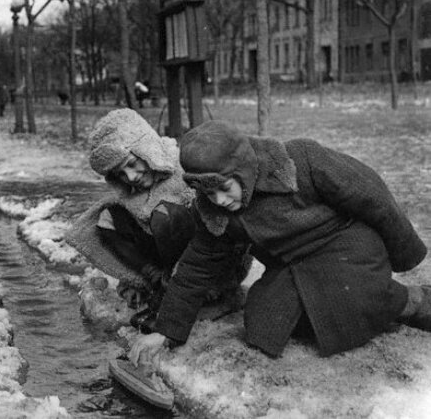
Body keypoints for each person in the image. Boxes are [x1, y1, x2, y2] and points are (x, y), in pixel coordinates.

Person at [129, 120, 430, 364]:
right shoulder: (215, 212)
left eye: (224, 187)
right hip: (294, 266)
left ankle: (411, 302)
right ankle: (374, 303)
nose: (220, 199)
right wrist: (165, 331)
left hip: (347, 246)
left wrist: (404, 255)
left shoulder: (301, 160)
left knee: (345, 301)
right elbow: (197, 267)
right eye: (208, 193)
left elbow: (370, 195)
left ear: (241, 169)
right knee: (263, 325)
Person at [65, 109, 250, 332]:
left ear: (147, 150)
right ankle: (154, 282)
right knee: (108, 219)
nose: (131, 177)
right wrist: (141, 276)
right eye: (121, 173)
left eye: (133, 164)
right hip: (166, 266)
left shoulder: (187, 167)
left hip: (207, 263)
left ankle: (197, 298)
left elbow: (221, 223)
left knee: (165, 216)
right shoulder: (131, 194)